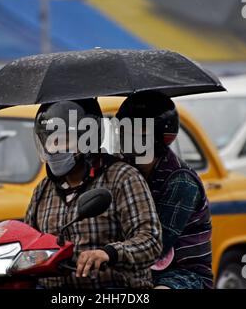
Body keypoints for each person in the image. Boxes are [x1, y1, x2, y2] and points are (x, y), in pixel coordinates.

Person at [24, 98, 162, 289]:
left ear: (89, 138)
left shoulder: (122, 178)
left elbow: (151, 241)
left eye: (64, 139)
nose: (55, 147)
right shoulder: (43, 190)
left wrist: (109, 253)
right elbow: (27, 244)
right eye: (50, 139)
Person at [115, 91, 213, 289]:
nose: (130, 138)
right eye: (125, 130)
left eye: (140, 131)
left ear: (161, 136)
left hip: (181, 274)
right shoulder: (122, 169)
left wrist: (109, 252)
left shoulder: (181, 181)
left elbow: (157, 244)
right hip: (132, 269)